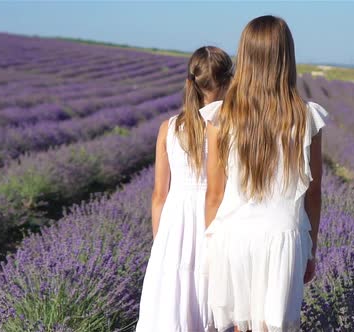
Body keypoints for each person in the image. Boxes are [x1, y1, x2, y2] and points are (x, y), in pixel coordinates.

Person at [204, 16, 327, 332]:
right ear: (287, 57)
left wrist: (209, 249)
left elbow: (214, 194)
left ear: (244, 56)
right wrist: (311, 249)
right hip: (283, 236)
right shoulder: (306, 118)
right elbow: (313, 192)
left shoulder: (223, 116)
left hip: (233, 236)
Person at [136, 46, 233, 332]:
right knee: (207, 299)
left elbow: (159, 195)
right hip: (213, 219)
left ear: (190, 82)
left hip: (174, 225)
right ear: (229, 82)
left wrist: (161, 239)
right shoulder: (226, 128)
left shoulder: (169, 128)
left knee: (170, 302)